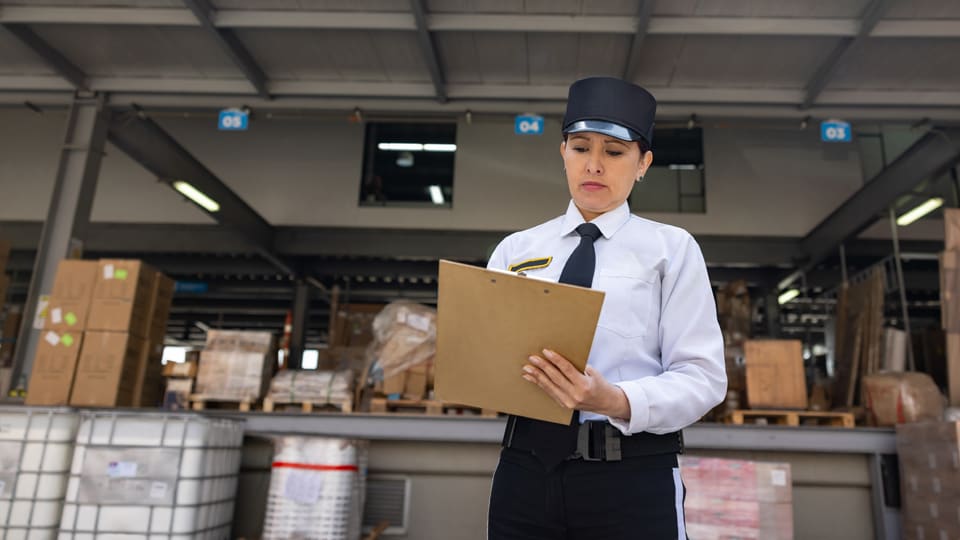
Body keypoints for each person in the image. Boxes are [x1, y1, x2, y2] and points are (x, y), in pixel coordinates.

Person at [485, 77, 727, 540]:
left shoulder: (670, 250)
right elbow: (491, 353)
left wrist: (614, 400)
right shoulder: (516, 250)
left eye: (614, 152)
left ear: (644, 164)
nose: (594, 165)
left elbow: (703, 377)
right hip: (524, 473)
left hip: (631, 478)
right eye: (580, 148)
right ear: (563, 153)